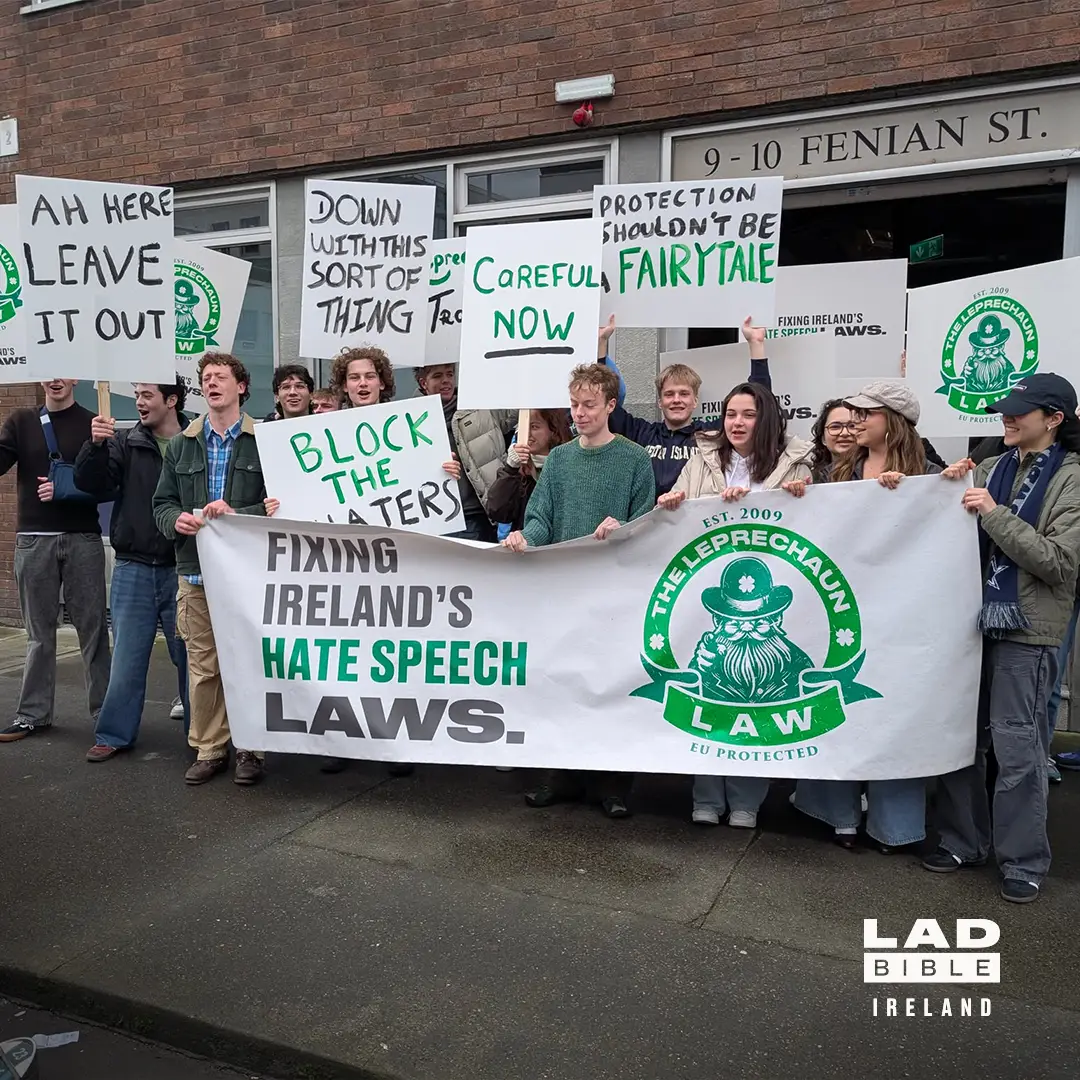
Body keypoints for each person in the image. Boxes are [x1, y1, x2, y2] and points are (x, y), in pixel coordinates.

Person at [927, 373, 1080, 904]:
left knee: (1018, 748)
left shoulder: (1072, 480)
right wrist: (936, 492)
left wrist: (991, 513)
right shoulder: (991, 467)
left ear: (1054, 419)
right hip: (972, 626)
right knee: (962, 740)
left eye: (1019, 411)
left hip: (1027, 633)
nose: (1006, 419)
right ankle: (963, 841)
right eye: (1005, 410)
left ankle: (1023, 861)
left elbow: (1058, 562)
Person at [657, 375, 812, 829]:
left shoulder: (796, 462)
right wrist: (672, 503)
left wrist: (799, 494)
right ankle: (706, 796)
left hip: (771, 586)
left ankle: (747, 800)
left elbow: (813, 517)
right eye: (730, 414)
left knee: (759, 704)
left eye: (748, 414)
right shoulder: (702, 458)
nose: (737, 423)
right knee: (708, 694)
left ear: (766, 420)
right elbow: (681, 506)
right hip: (710, 592)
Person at [792, 381, 939, 853]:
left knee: (894, 710)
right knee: (842, 705)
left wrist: (914, 493)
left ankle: (895, 827)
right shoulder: (840, 469)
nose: (854, 422)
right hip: (845, 608)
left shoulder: (928, 473)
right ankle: (838, 816)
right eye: (852, 414)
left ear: (892, 420)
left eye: (865, 414)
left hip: (902, 612)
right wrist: (801, 496)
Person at [504, 363, 654, 818]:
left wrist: (624, 526)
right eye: (574, 405)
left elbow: (648, 521)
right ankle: (560, 775)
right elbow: (541, 514)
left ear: (611, 405)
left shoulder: (634, 459)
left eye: (589, 405)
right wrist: (526, 537)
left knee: (610, 684)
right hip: (565, 589)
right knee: (564, 683)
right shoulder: (562, 459)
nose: (579, 413)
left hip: (613, 592)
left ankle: (612, 784)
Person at [153, 353, 276, 786]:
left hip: (249, 577)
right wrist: (176, 522)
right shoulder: (183, 444)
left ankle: (251, 749)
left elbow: (280, 505)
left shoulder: (266, 440)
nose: (212, 384)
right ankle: (209, 748)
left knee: (249, 662)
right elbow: (161, 504)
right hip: (195, 572)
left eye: (221, 377)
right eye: (206, 378)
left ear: (241, 387)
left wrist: (238, 512)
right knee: (204, 665)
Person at [75, 383, 190, 761]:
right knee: (126, 657)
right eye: (137, 394)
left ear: (171, 400)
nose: (139, 402)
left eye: (146, 395)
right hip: (133, 566)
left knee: (191, 658)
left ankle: (202, 737)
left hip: (183, 567)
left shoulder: (195, 440)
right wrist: (94, 447)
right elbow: (93, 485)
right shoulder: (124, 442)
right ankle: (113, 734)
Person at [0, 376, 112, 742]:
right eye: (49, 371)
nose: (55, 379)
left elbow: (107, 485)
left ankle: (105, 714)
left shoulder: (93, 422)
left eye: (63, 371)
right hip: (34, 540)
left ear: (75, 378)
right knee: (38, 634)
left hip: (83, 539)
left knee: (94, 631)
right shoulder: (20, 422)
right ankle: (33, 714)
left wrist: (71, 489)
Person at [605, 317, 770, 495]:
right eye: (669, 394)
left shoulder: (710, 435)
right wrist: (601, 342)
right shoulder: (641, 433)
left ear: (695, 401)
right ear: (660, 402)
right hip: (649, 519)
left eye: (684, 394)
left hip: (696, 519)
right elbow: (604, 405)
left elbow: (759, 399)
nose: (676, 400)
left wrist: (756, 343)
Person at [414, 362, 513, 543]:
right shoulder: (411, 421)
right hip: (434, 520)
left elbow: (514, 411)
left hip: (479, 515)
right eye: (437, 376)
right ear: (423, 383)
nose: (446, 381)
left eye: (450, 374)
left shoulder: (479, 408)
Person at [486, 409, 574, 532]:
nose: (527, 434)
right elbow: (498, 512)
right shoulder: (518, 470)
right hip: (525, 545)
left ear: (553, 430)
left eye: (534, 427)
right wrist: (510, 468)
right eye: (523, 427)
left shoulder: (570, 464)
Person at [329, 345, 395, 407]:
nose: (363, 383)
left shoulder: (401, 417)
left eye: (370, 377)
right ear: (345, 386)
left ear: (381, 383)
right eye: (354, 378)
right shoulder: (333, 419)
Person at [807, 399, 857, 482]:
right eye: (835, 427)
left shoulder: (880, 473)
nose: (844, 433)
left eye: (852, 426)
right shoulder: (811, 479)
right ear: (823, 438)